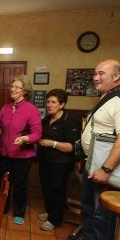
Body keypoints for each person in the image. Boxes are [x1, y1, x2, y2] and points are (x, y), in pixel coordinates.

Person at [68, 59, 120, 240]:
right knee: (90, 206)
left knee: (103, 213)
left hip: (104, 169)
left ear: (116, 76)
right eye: (95, 73)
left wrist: (106, 169)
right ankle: (89, 238)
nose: (96, 78)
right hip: (93, 165)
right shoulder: (107, 97)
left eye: (101, 74)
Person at [0, 75, 42, 225]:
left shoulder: (31, 110)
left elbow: (37, 134)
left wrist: (25, 139)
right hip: (4, 153)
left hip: (22, 156)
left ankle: (19, 212)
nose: (12, 89)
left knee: (19, 184)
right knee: (2, 183)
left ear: (25, 91)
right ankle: (1, 208)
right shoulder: (5, 108)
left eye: (17, 87)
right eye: (12, 86)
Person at [37, 89, 81, 231]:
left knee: (57, 189)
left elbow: (72, 147)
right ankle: (50, 212)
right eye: (48, 102)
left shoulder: (70, 121)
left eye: (53, 102)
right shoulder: (46, 120)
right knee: (46, 187)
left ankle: (55, 220)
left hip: (61, 162)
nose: (49, 105)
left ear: (61, 105)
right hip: (45, 160)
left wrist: (52, 143)